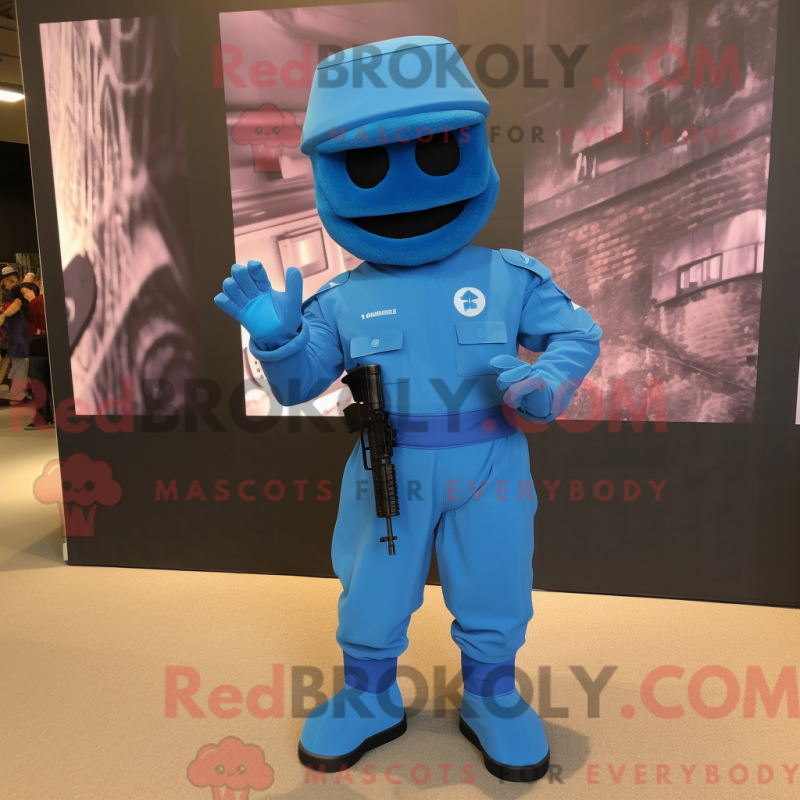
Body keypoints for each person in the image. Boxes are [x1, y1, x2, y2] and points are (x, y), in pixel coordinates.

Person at [216, 37, 601, 782]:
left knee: (497, 583)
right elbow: (298, 385)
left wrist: (547, 383)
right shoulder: (341, 297)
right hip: (385, 461)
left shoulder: (508, 275)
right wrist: (278, 341)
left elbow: (575, 333)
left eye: (433, 152)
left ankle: (491, 695)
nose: (403, 186)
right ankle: (369, 697)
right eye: (365, 165)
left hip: (492, 459)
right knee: (372, 588)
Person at [20, 281, 53, 428]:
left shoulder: (33, 305)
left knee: (39, 384)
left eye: (24, 292)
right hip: (49, 349)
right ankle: (49, 416)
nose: (23, 295)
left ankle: (43, 417)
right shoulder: (46, 302)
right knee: (50, 385)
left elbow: (29, 329)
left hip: (37, 349)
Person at [0, 265, 30, 406]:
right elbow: (16, 304)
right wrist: (4, 315)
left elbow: (17, 305)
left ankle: (17, 394)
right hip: (14, 337)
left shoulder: (13, 294)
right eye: (10, 281)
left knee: (16, 364)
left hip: (14, 337)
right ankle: (17, 395)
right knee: (18, 364)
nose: (14, 283)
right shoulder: (9, 295)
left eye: (15, 280)